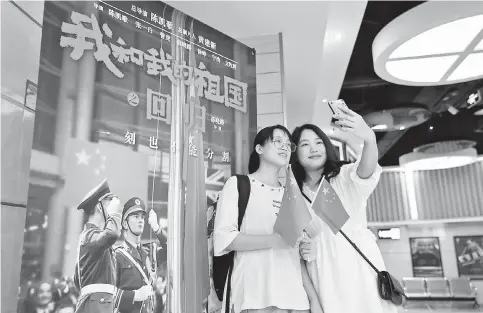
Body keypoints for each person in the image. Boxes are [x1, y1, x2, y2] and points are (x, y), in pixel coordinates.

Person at [291, 104, 397, 313]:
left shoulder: (341, 177)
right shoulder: (293, 194)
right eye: (305, 144)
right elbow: (291, 251)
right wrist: (312, 300)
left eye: (319, 142)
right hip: (324, 280)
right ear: (295, 152)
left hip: (360, 275)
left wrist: (369, 138)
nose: (314, 148)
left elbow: (365, 171)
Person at [213, 125, 322, 313]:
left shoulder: (291, 194)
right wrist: (274, 240)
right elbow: (225, 238)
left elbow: (294, 255)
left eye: (289, 144)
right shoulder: (239, 185)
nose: (285, 147)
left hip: (296, 301)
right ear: (259, 148)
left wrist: (313, 298)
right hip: (256, 298)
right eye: (278, 141)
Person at [73, 179, 123, 313]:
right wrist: (115, 214)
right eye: (110, 200)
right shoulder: (89, 236)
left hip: (100, 303)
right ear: (100, 207)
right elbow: (112, 234)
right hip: (97, 304)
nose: (114, 204)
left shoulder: (93, 238)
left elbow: (77, 280)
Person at [114, 197, 167, 313]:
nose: (141, 220)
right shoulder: (116, 255)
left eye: (142, 217)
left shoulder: (150, 251)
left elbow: (172, 250)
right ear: (125, 224)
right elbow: (108, 293)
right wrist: (134, 295)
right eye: (135, 216)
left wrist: (157, 229)